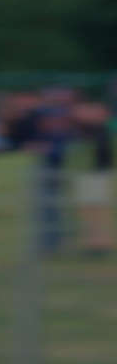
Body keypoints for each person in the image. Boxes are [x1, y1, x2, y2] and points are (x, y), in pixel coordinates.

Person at [73, 99, 114, 255]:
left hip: (97, 175)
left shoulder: (102, 131)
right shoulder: (87, 130)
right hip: (88, 175)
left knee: (97, 210)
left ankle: (100, 244)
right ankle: (92, 243)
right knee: (88, 210)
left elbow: (103, 154)